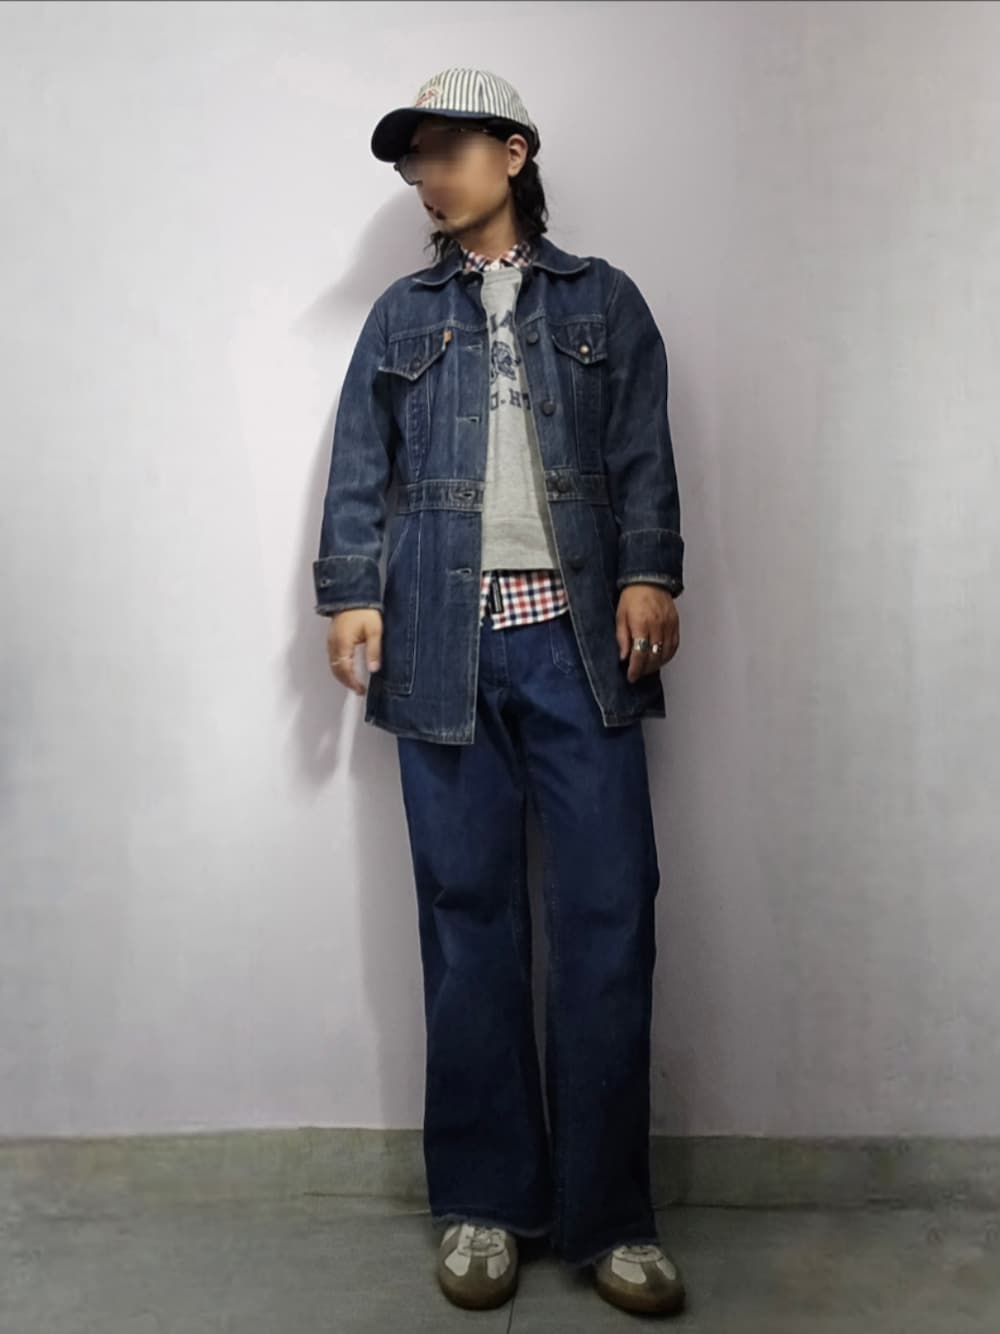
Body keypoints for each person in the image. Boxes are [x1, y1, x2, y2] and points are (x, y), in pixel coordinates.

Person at [314, 67, 687, 1318]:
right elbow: (361, 461)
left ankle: (610, 1216)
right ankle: (483, 1198)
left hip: (580, 646)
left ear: (514, 152)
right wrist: (349, 591)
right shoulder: (400, 315)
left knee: (608, 918)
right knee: (467, 920)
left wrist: (648, 570)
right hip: (442, 648)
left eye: (448, 149)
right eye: (415, 158)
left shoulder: (604, 300)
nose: (428, 174)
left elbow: (641, 450)